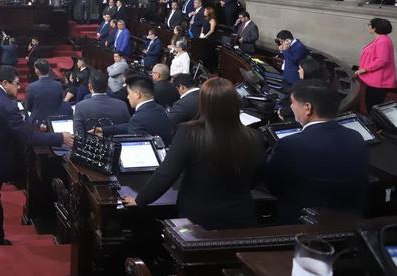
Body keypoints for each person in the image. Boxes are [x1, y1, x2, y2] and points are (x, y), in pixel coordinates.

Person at [122, 78, 264, 230]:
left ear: (202, 103)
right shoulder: (254, 136)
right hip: (241, 216)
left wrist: (140, 199)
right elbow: (255, 178)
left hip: (199, 220)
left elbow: (166, 174)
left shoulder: (188, 132)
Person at [0, 65, 72, 245]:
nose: (19, 88)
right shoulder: (8, 107)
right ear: (5, 83)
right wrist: (60, 138)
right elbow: (29, 136)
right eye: (16, 84)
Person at [264, 82, 369, 223]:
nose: (291, 107)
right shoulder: (355, 136)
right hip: (351, 219)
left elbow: (273, 187)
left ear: (307, 108)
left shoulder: (290, 144)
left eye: (292, 103)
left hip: (303, 224)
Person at [98, 75, 173, 145]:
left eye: (129, 93)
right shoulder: (159, 109)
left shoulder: (138, 118)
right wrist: (104, 130)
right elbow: (130, 126)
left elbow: (136, 146)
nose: (127, 97)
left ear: (137, 94)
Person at [356, 17, 396, 110]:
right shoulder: (381, 39)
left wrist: (364, 69)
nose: (368, 27)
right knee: (370, 103)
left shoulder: (383, 41)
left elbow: (382, 60)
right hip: (375, 80)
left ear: (374, 28)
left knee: (372, 106)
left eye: (369, 25)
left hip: (378, 81)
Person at [26, 59, 66, 126]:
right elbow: (61, 102)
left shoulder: (31, 87)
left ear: (37, 71)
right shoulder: (58, 85)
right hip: (54, 122)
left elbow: (29, 107)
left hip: (37, 123)